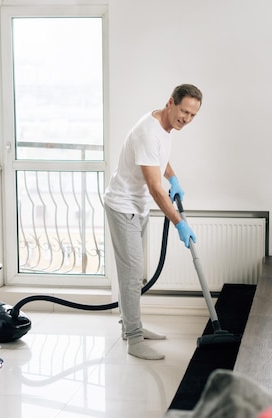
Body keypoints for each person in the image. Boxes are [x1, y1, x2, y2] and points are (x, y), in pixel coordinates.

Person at [104, 84, 203, 360]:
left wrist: (173, 177)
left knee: (134, 273)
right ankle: (134, 339)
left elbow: (160, 158)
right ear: (171, 102)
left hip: (137, 207)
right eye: (184, 111)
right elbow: (154, 188)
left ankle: (129, 326)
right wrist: (179, 221)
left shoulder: (164, 126)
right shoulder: (148, 132)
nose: (186, 119)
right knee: (132, 274)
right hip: (124, 207)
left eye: (193, 115)